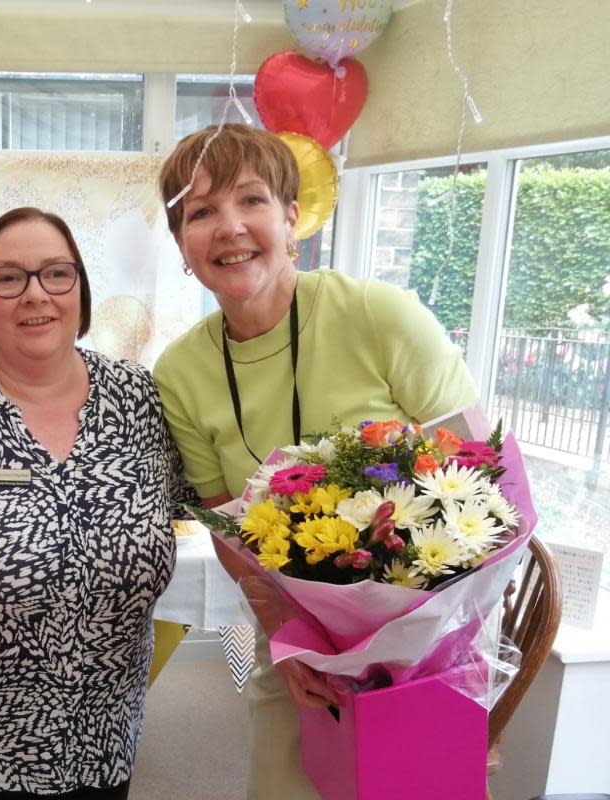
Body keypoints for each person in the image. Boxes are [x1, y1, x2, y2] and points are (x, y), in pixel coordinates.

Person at [151, 124, 478, 799]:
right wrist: (289, 639)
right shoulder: (180, 371)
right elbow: (227, 529)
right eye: (201, 212)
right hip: (300, 652)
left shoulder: (380, 317)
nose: (229, 227)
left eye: (251, 201)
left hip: (428, 647)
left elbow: (478, 476)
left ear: (292, 217)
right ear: (181, 246)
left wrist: (431, 652)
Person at [0, 207, 192, 798]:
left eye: (57, 273)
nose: (36, 295)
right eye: (8, 277)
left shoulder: (140, 398)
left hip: (101, 740)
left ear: (80, 288)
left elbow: (203, 502)